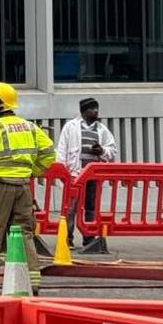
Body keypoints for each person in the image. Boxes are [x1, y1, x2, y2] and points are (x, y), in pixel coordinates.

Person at [0, 82, 57, 296]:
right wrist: (32, 172)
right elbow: (49, 154)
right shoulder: (30, 126)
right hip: (23, 187)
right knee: (24, 233)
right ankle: (32, 282)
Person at [56, 97, 119, 250]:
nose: (96, 111)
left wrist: (102, 151)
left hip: (93, 175)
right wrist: (62, 171)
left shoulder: (102, 130)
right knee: (71, 207)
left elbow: (112, 150)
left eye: (96, 108)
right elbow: (62, 149)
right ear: (84, 111)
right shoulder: (70, 127)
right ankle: (67, 238)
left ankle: (89, 237)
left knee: (91, 206)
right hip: (75, 173)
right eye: (92, 109)